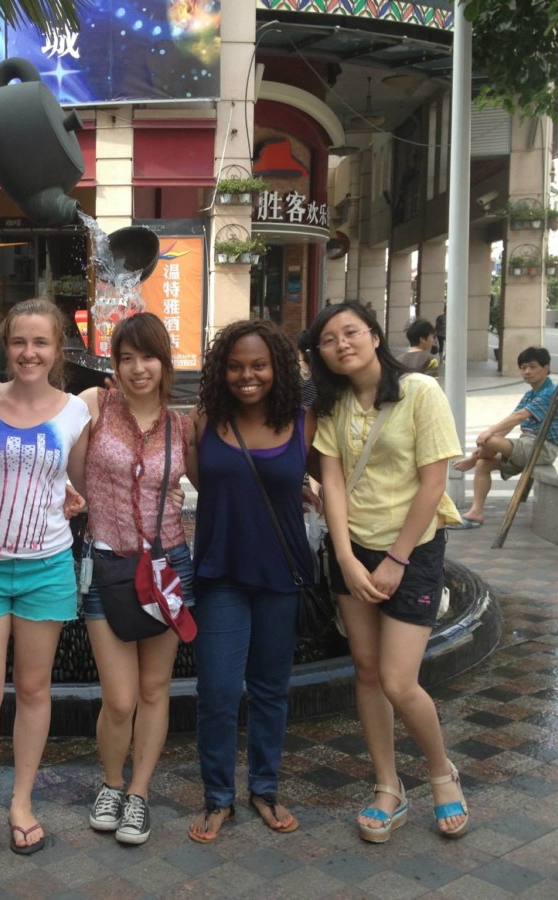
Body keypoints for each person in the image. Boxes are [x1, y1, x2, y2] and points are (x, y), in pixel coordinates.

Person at [309, 300, 468, 844]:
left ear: (375, 336)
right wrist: (346, 557)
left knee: (399, 681)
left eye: (351, 332)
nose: (342, 344)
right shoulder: (332, 405)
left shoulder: (420, 392)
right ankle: (387, 785)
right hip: (353, 548)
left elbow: (434, 483)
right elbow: (332, 482)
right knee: (367, 670)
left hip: (413, 550)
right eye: (329, 339)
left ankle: (442, 773)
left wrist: (398, 559)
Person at [0, 298, 90, 857]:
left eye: (41, 342)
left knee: (32, 689)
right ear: (6, 345)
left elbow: (79, 483)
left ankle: (22, 802)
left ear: (57, 349)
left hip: (46, 567)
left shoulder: (75, 412)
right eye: (20, 342)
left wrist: (74, 497)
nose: (30, 353)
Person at [184, 319, 315, 843]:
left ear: (277, 367)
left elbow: (334, 481)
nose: (247, 375)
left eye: (259, 365)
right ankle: (218, 797)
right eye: (236, 366)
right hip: (221, 572)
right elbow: (198, 479)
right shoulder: (204, 418)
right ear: (222, 370)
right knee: (217, 690)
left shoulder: (304, 421)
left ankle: (265, 789)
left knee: (269, 689)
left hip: (281, 572)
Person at [75, 313, 193, 846]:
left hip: (168, 567)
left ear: (164, 362)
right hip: (107, 566)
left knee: (153, 688)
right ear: (115, 364)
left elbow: (216, 479)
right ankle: (111, 783)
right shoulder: (95, 406)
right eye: (126, 358)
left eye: (148, 357)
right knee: (120, 698)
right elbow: (60, 461)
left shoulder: (183, 426)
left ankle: (139, 792)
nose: (138, 368)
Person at [450, 346, 558, 528]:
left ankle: (472, 459)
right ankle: (476, 512)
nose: (527, 371)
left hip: (543, 448)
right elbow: (510, 423)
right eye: (523, 367)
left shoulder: (551, 392)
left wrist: (488, 433)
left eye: (533, 367)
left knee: (490, 439)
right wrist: (488, 438)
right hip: (527, 445)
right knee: (484, 463)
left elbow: (519, 416)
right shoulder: (530, 394)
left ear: (546, 368)